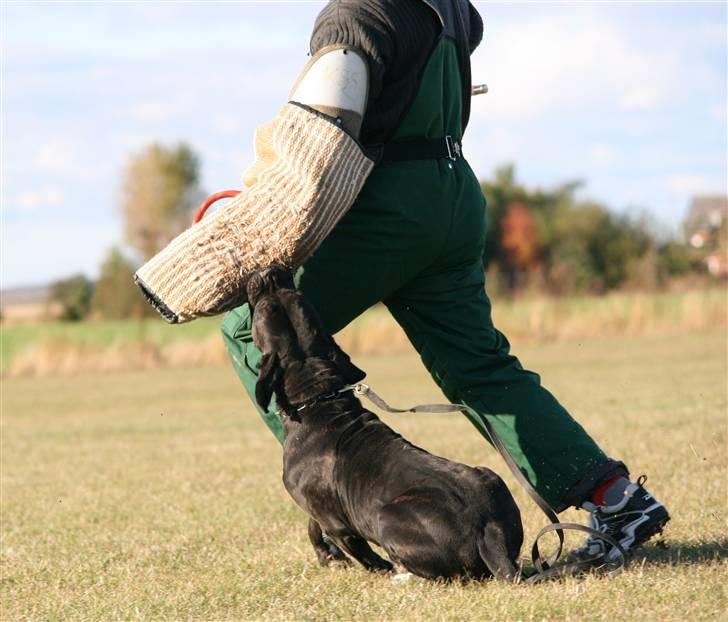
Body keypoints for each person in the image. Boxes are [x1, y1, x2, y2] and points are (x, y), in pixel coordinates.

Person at [220, 0, 669, 563]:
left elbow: (326, 126)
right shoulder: (454, 7)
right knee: (479, 366)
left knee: (254, 327)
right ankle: (616, 498)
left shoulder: (353, 15)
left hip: (383, 200)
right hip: (452, 192)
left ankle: (337, 500)